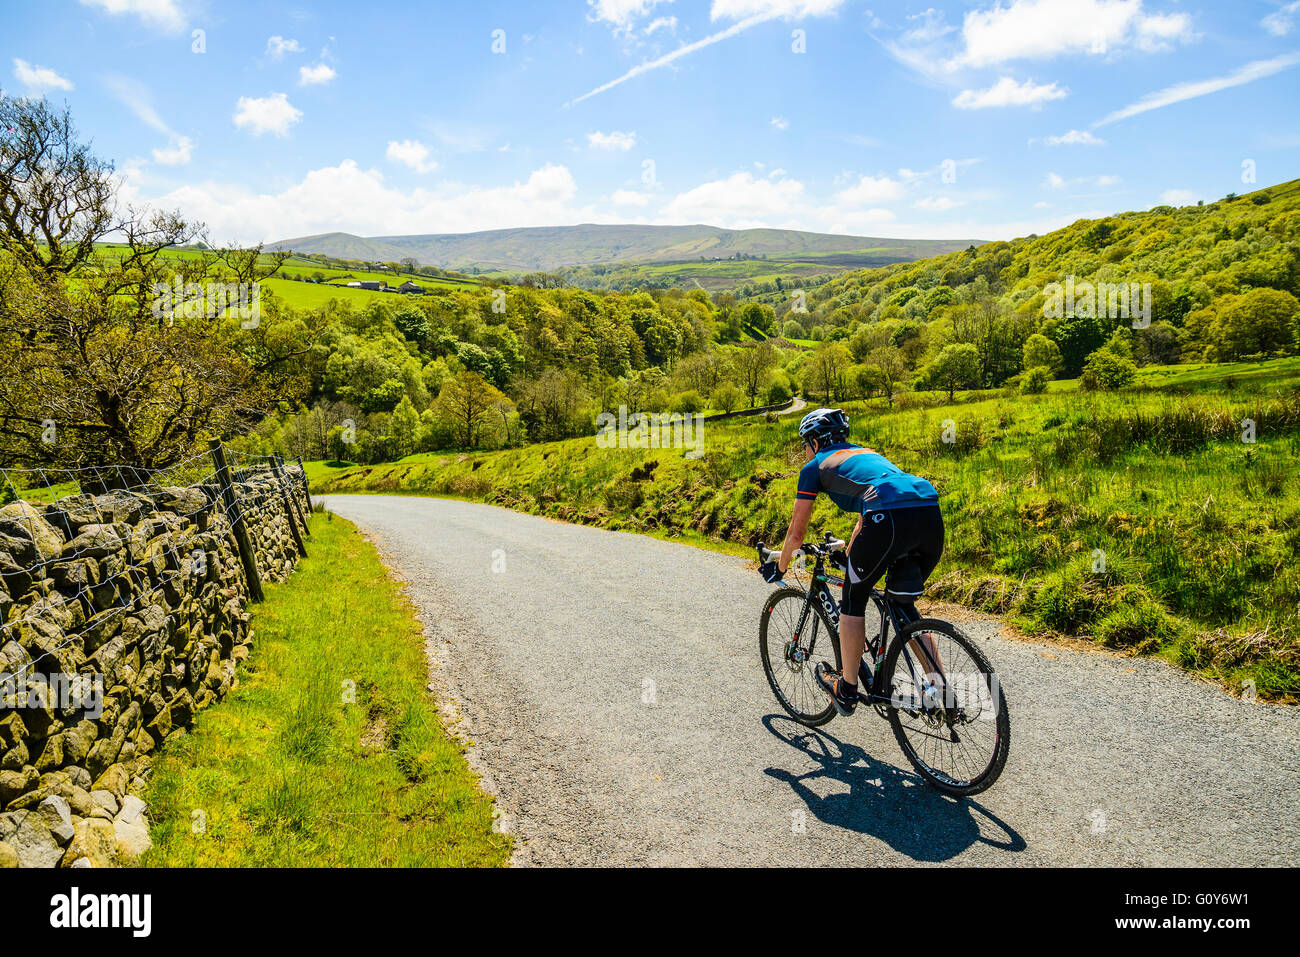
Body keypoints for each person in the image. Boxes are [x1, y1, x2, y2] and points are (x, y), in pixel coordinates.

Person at [758, 408, 943, 716]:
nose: (805, 450)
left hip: (889, 520)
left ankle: (846, 689)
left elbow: (796, 532)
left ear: (815, 442)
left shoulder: (815, 466)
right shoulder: (866, 454)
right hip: (928, 516)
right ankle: (940, 690)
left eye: (805, 444)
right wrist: (847, 560)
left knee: (852, 602)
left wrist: (780, 567)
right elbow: (864, 517)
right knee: (903, 606)